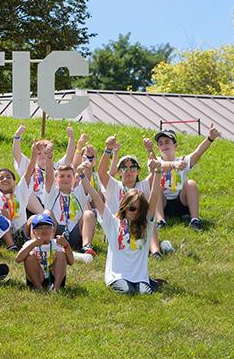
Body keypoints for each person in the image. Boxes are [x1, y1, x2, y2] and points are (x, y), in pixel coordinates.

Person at [79, 160, 164, 295]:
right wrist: (82, 177)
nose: (134, 212)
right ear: (124, 207)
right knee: (127, 290)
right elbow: (96, 197)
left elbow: (154, 195)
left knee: (145, 293)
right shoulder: (113, 222)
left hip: (140, 277)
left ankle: (149, 282)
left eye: (138, 208)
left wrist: (158, 172)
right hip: (117, 276)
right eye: (130, 208)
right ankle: (144, 283)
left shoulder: (146, 223)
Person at [144, 125, 221, 230]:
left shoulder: (182, 160)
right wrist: (150, 150)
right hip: (162, 203)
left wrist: (210, 138)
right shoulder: (157, 160)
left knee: (191, 183)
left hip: (181, 202)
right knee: (156, 186)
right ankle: (160, 221)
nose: (164, 145)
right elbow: (155, 165)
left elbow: (198, 152)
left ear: (175, 145)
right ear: (158, 148)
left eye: (167, 142)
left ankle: (195, 220)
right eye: (161, 143)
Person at [14, 212, 74, 292]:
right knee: (29, 256)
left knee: (61, 254)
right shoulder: (30, 244)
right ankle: (38, 287)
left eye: (47, 227)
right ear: (34, 231)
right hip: (36, 276)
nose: (44, 230)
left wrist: (66, 245)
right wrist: (33, 244)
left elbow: (71, 261)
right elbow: (18, 259)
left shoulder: (57, 243)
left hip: (54, 276)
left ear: (53, 229)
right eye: (40, 228)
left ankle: (56, 288)